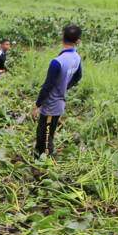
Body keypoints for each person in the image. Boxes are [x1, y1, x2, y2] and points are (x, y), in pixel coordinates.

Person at [33, 24, 82, 158]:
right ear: (78, 41)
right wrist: (64, 87)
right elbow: (78, 77)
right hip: (59, 102)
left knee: (46, 136)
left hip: (51, 105)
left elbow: (47, 86)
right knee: (42, 132)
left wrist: (37, 105)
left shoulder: (57, 62)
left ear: (62, 38)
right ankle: (37, 155)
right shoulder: (77, 58)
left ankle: (45, 163)